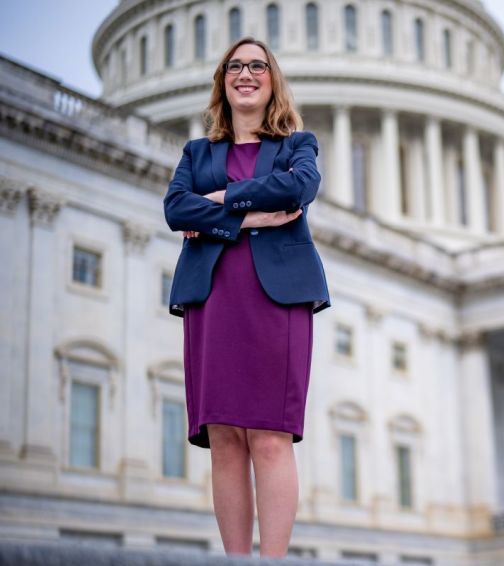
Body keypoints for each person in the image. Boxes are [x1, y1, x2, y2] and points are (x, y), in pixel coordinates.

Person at [162, 37, 331, 558]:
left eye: (258, 65)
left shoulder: (297, 145)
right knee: (225, 441)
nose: (246, 74)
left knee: (270, 435)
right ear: (222, 82)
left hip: (276, 298)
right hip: (213, 297)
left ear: (272, 80)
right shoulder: (197, 152)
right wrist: (249, 216)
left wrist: (218, 201)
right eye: (235, 66)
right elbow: (175, 210)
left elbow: (297, 188)